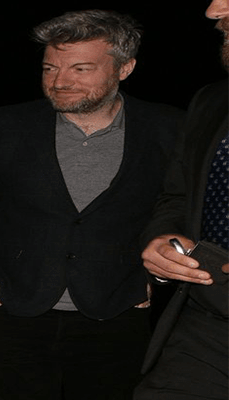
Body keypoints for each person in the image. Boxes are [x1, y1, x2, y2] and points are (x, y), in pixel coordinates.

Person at [0, 10, 185, 400]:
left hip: (117, 314)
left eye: (81, 69)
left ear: (125, 68)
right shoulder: (1, 126)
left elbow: (181, 209)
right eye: (50, 68)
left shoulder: (169, 127)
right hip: (13, 314)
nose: (60, 81)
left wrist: (155, 282)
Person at [134, 1, 229, 398]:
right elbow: (177, 195)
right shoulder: (211, 100)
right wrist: (162, 239)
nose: (212, 10)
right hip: (204, 319)